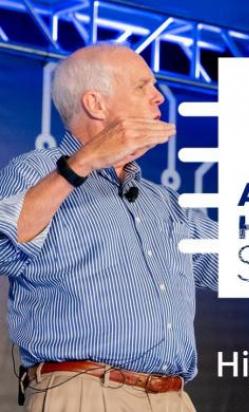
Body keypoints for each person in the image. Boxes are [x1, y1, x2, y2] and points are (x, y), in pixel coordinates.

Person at [0, 43, 218, 411]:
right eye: (142, 86)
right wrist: (82, 163)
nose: (158, 98)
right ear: (95, 104)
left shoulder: (162, 201)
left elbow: (247, 259)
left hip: (173, 398)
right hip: (84, 392)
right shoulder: (34, 172)